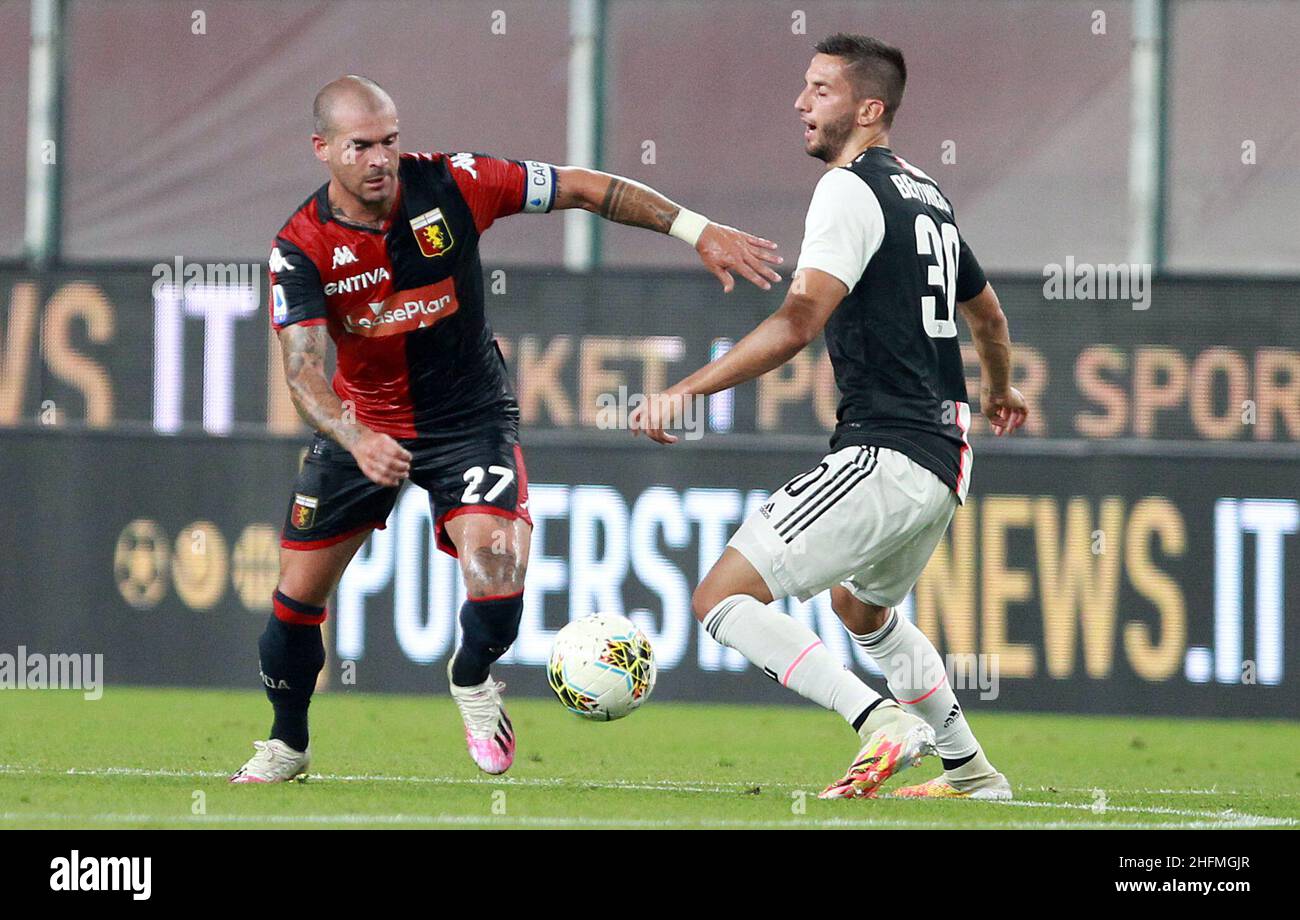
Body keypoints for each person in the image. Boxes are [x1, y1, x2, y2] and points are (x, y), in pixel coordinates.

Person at [231, 75, 782, 783]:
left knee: (497, 564)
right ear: (322, 149)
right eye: (361, 146)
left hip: (470, 420)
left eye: (390, 141)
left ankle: (472, 677)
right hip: (364, 427)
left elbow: (586, 187)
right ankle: (287, 745)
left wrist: (696, 229)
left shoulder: (456, 183)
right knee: (297, 596)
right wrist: (354, 436)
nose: (380, 159)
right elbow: (303, 370)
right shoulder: (301, 245)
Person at [630, 35, 1026, 800]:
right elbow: (990, 316)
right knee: (861, 608)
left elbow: (798, 320)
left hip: (889, 448)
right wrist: (1001, 391)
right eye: (805, 88)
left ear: (868, 109)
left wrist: (688, 389)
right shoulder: (927, 194)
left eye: (820, 90)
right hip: (946, 460)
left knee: (720, 600)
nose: (801, 103)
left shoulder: (850, 189)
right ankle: (973, 774)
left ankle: (878, 720)